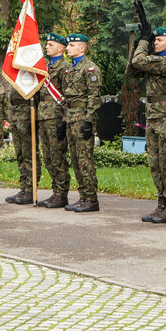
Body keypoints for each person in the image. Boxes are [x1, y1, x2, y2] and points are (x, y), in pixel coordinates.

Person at [129, 27, 166, 223]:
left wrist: (143, 42)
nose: (155, 43)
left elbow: (138, 61)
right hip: (153, 116)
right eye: (154, 40)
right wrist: (137, 45)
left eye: (159, 40)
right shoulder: (153, 60)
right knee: (155, 163)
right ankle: (161, 204)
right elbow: (132, 69)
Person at [62, 33, 103, 212]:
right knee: (76, 159)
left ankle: (91, 199)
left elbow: (94, 98)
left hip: (82, 119)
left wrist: (89, 121)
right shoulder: (70, 69)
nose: (68, 47)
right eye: (68, 45)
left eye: (72, 45)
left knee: (85, 160)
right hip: (71, 118)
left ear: (82, 48)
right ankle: (82, 196)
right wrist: (64, 120)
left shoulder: (90, 69)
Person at [35, 33, 72, 208]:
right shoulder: (45, 67)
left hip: (56, 116)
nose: (47, 46)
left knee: (58, 156)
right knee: (48, 156)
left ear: (61, 48)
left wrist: (64, 120)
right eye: (47, 44)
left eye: (50, 44)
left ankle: (62, 194)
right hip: (44, 116)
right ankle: (55, 191)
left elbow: (67, 97)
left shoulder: (65, 67)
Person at [6, 80, 41, 205]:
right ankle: (24, 187)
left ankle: (31, 189)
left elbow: (37, 95)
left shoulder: (29, 68)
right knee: (20, 153)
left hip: (27, 111)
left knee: (29, 153)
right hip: (15, 112)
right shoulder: (16, 71)